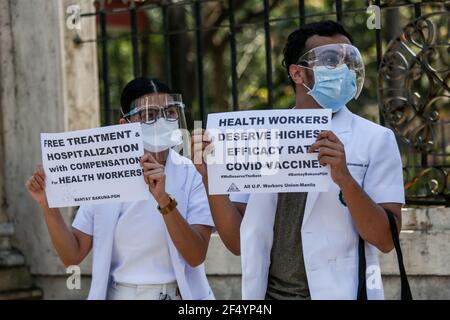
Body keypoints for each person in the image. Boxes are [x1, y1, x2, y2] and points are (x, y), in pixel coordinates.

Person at [192, 21, 405, 300]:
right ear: (297, 73)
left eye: (347, 59)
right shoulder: (260, 136)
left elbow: (386, 240)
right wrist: (211, 177)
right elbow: (237, 242)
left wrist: (344, 179)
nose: (342, 69)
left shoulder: (376, 139)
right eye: (330, 60)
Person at [26, 77, 215, 300]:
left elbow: (195, 255)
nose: (162, 121)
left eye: (170, 112)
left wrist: (163, 200)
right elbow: (72, 255)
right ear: (125, 125)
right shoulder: (105, 177)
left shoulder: (191, 173)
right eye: (149, 115)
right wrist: (48, 204)